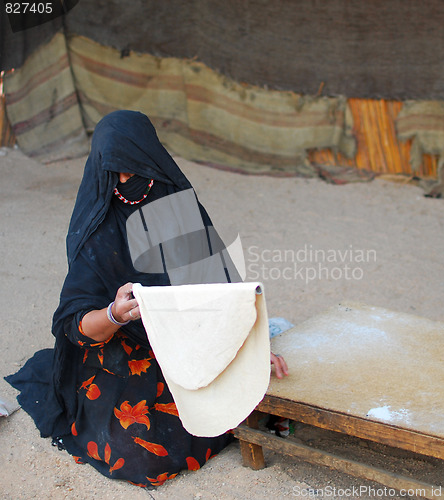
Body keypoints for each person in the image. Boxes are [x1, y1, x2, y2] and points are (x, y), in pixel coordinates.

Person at [6, 110, 288, 487]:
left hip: (189, 340)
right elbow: (74, 325)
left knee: (250, 394)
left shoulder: (177, 207)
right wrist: (114, 313)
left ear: (150, 159)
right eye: (116, 172)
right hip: (126, 350)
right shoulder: (100, 227)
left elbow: (219, 287)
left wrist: (252, 344)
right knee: (137, 453)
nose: (126, 181)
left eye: (133, 167)